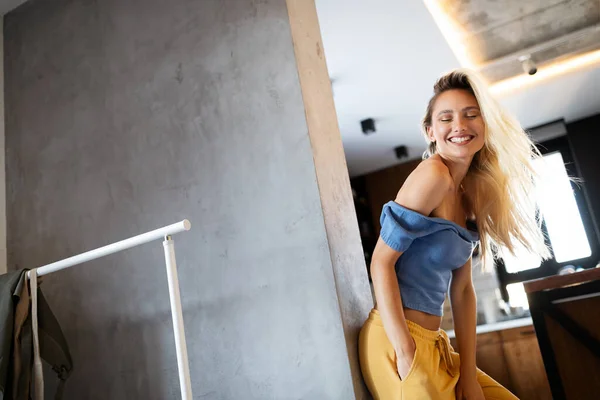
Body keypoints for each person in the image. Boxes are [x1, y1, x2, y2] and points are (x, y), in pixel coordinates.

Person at [358, 69, 550, 400]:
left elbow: (462, 291)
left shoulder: (470, 194)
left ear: (485, 124)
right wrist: (406, 352)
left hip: (436, 345)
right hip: (396, 344)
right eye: (446, 118)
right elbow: (380, 263)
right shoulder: (432, 177)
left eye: (470, 115)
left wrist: (469, 374)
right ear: (430, 131)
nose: (459, 126)